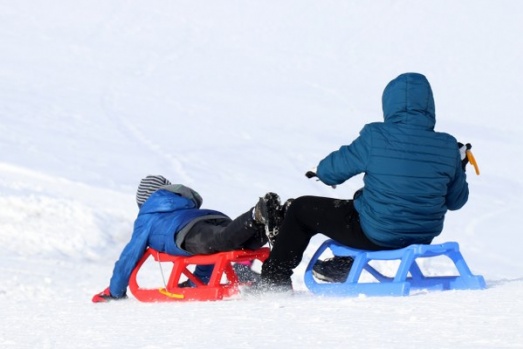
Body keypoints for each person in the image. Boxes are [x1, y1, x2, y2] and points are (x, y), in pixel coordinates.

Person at [258, 72, 470, 292]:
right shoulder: (447, 146)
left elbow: (337, 169)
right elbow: (456, 201)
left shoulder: (376, 136)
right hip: (421, 235)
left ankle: (274, 278)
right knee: (363, 203)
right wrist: (460, 166)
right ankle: (339, 267)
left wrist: (320, 171)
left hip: (377, 233)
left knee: (302, 209)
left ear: (390, 103)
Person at [93, 175, 282, 302]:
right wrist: (197, 282)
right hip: (211, 217)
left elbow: (129, 256)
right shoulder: (184, 205)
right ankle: (274, 218)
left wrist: (115, 291)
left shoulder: (147, 217)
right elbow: (209, 255)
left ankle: (256, 215)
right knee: (241, 245)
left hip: (185, 232)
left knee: (220, 241)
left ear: (144, 201)